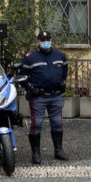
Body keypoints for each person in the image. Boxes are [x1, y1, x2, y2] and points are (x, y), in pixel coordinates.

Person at [19, 30, 69, 164]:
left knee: (58, 123)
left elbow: (64, 73)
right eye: (43, 40)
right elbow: (22, 77)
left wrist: (61, 83)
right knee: (37, 124)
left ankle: (58, 150)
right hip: (38, 97)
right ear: (38, 42)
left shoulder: (60, 56)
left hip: (56, 95)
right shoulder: (30, 58)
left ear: (51, 40)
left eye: (48, 39)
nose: (46, 42)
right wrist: (30, 88)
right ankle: (36, 154)